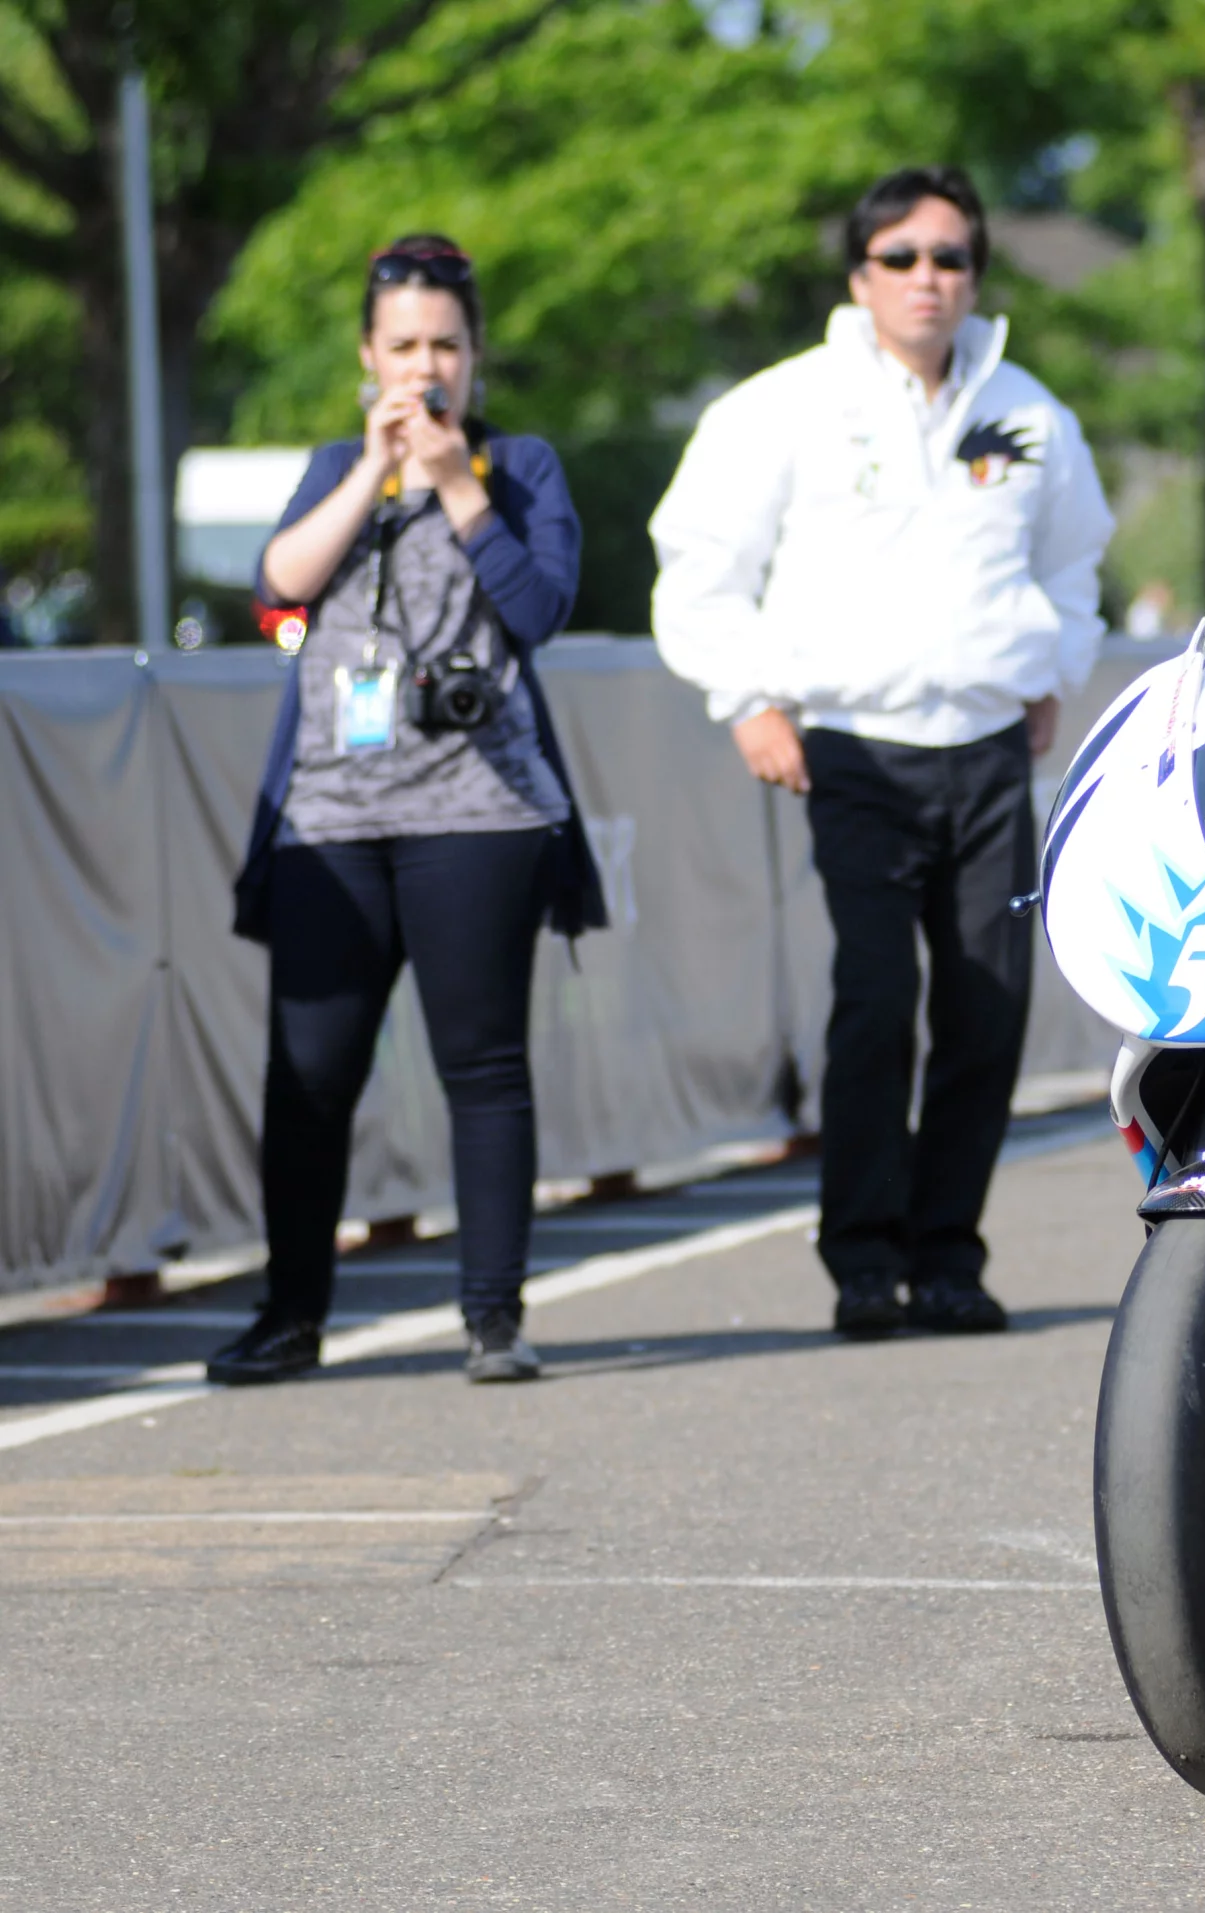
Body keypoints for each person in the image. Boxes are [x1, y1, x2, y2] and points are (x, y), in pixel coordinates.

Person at [652, 166, 1115, 1340]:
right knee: (876, 998)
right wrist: (747, 697)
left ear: (976, 276)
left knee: (986, 1006)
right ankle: (863, 1258)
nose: (928, 279)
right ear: (861, 277)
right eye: (902, 258)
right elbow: (699, 563)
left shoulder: (1029, 413)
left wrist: (1049, 670)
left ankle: (946, 1254)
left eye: (951, 257)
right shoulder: (784, 408)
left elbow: (1075, 566)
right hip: (852, 750)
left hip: (987, 750)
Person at [207, 235, 604, 1388]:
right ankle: (289, 1316)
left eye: (445, 346)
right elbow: (279, 584)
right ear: (367, 358)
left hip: (479, 811)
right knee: (309, 1071)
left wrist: (458, 484)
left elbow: (538, 609)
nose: (424, 369)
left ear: (476, 355)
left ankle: (492, 1318)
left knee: (480, 1065)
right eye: (402, 348)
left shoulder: (519, 465)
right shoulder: (341, 459)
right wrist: (371, 471)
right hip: (330, 814)